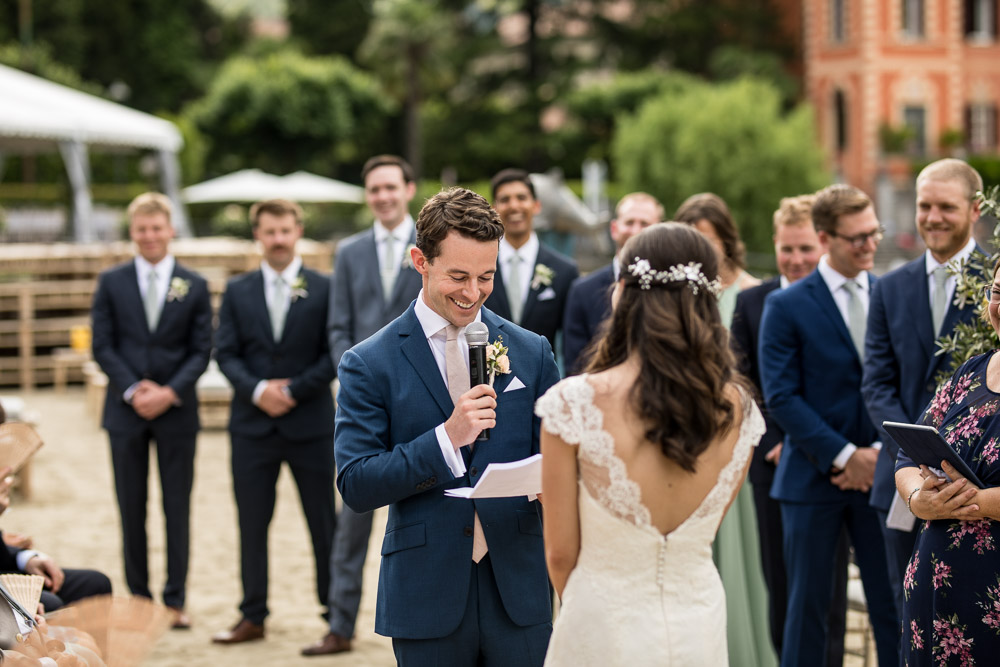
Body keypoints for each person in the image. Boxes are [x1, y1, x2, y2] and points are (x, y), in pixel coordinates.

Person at [335, 187, 559, 666]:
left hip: (519, 589)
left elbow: (560, 458)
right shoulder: (368, 362)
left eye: (485, 277)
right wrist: (447, 438)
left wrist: (557, 484)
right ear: (420, 261)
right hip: (425, 591)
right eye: (458, 276)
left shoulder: (532, 351)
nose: (472, 293)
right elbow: (356, 483)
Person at [537, 222, 763, 665]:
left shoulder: (574, 404)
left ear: (622, 292)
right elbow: (706, 531)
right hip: (698, 623)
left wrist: (586, 612)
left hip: (602, 625)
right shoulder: (739, 409)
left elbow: (560, 555)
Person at [759, 184, 899, 667]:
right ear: (825, 238)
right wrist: (844, 456)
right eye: (857, 237)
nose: (870, 244)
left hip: (883, 476)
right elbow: (781, 397)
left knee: (893, 606)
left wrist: (878, 454)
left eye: (874, 233)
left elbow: (901, 383)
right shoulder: (787, 305)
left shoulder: (889, 294)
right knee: (808, 613)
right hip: (810, 479)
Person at [304, 155, 423, 657]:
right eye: (374, 189)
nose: (383, 196)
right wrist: (355, 380)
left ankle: (420, 620)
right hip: (364, 405)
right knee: (351, 519)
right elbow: (338, 326)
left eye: (391, 187)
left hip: (418, 398)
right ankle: (340, 624)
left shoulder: (431, 244)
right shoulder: (349, 252)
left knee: (420, 511)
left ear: (408, 189)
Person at [863, 158, 986, 621]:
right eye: (924, 206)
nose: (933, 218)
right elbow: (876, 382)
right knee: (905, 612)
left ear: (975, 209)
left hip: (980, 489)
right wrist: (917, 454)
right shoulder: (889, 287)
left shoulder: (995, 284)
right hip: (903, 482)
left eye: (946, 207)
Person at [730, 194, 850, 662]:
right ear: (775, 245)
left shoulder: (840, 300)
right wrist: (775, 441)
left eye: (805, 249)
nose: (796, 259)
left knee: (830, 589)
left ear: (821, 245)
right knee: (781, 585)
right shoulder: (752, 302)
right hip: (774, 466)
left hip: (831, 466)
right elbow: (742, 383)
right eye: (787, 248)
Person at [212, 199, 337, 645]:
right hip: (252, 427)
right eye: (270, 231)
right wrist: (259, 390)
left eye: (285, 230)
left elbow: (335, 352)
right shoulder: (238, 290)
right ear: (258, 235)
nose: (279, 239)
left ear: (298, 230)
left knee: (323, 523)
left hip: (311, 424)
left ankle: (335, 617)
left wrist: (295, 390)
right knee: (251, 524)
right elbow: (225, 352)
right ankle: (252, 615)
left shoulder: (326, 287)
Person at [90, 192, 212, 629]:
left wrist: (168, 392)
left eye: (157, 227)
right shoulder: (111, 281)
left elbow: (201, 349)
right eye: (142, 229)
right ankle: (140, 600)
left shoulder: (194, 284)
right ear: (133, 232)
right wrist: (132, 390)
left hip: (176, 412)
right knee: (131, 506)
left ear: (170, 230)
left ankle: (175, 600)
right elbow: (102, 344)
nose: (150, 236)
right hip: (125, 413)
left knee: (177, 506)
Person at [674, 192, 774, 667]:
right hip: (685, 439)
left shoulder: (756, 293)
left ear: (727, 239)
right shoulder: (680, 299)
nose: (702, 251)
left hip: (735, 440)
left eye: (709, 241)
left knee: (739, 550)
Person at [895, 257, 1000, 665]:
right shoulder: (970, 373)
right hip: (932, 598)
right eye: (997, 292)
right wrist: (918, 499)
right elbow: (908, 453)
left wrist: (974, 501)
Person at [562, 192, 663, 375]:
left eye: (644, 224)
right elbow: (575, 364)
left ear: (659, 230)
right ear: (614, 229)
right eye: (629, 222)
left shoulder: (671, 287)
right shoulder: (582, 291)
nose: (636, 231)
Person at [484, 168, 578, 352]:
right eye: (505, 199)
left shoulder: (565, 271)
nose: (514, 206)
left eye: (521, 198)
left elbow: (571, 341)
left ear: (536, 205)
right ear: (494, 209)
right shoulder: (478, 267)